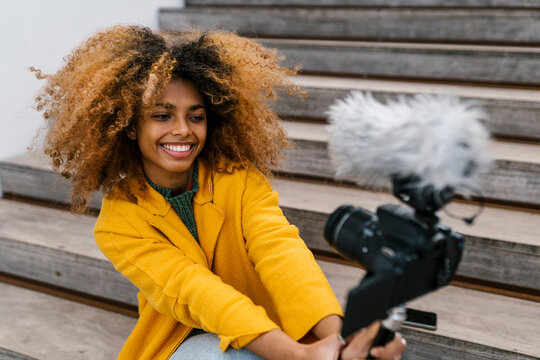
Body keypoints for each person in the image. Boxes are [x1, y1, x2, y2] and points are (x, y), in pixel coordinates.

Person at [32, 25, 406, 360]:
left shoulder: (239, 180)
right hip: (191, 341)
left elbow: (282, 253)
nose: (183, 130)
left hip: (272, 333)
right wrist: (297, 355)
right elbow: (196, 292)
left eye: (196, 116)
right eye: (162, 115)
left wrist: (340, 340)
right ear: (130, 126)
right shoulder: (119, 223)